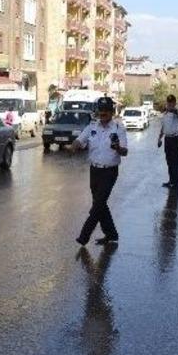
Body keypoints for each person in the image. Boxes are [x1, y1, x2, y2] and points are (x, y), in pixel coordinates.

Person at [72, 97, 128, 246]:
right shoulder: (92, 127)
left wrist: (117, 148)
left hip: (109, 172)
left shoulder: (118, 129)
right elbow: (80, 140)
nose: (103, 113)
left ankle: (84, 236)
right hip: (94, 171)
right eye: (100, 110)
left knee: (97, 206)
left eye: (106, 111)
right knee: (100, 204)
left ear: (111, 112)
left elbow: (125, 152)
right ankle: (111, 234)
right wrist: (75, 144)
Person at [157, 94, 178, 188]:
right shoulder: (165, 114)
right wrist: (159, 138)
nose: (169, 104)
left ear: (174, 103)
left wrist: (173, 110)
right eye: (168, 102)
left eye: (171, 103)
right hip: (168, 139)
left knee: (175, 161)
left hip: (176, 139)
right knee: (169, 161)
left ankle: (176, 182)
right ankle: (171, 180)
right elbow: (163, 127)